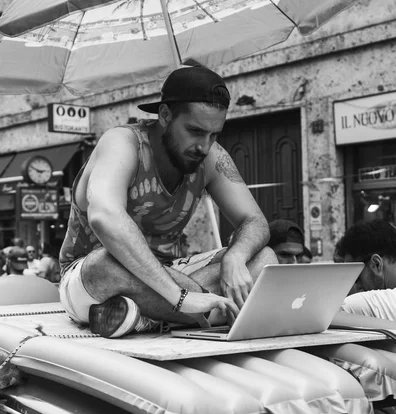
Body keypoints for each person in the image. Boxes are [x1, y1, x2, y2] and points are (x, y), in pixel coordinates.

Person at [59, 64, 277, 338]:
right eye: (195, 131)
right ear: (164, 115)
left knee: (264, 259)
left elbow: (255, 221)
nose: (204, 146)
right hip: (89, 278)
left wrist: (236, 256)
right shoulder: (122, 143)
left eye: (214, 135)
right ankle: (197, 312)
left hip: (168, 273)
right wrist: (180, 297)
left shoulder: (211, 157)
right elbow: (104, 217)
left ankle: (142, 316)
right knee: (105, 264)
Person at [335, 220, 396, 321]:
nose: (357, 286)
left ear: (376, 264)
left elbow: (328, 314)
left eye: (356, 278)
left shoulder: (378, 303)